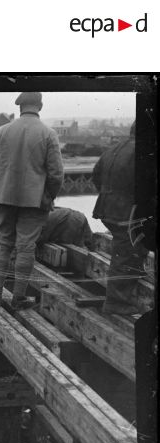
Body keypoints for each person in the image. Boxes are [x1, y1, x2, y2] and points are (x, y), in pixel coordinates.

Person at [0, 92, 64, 310]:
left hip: (4, 197)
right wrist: (48, 196)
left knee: (3, 244)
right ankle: (18, 298)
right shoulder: (48, 133)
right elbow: (56, 174)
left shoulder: (2, 131)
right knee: (26, 247)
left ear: (20, 108)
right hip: (34, 200)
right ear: (40, 106)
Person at [91, 121, 147, 315]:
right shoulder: (142, 152)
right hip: (127, 211)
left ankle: (131, 284)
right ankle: (117, 302)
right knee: (126, 252)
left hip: (108, 208)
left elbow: (96, 175)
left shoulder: (114, 149)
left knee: (127, 248)